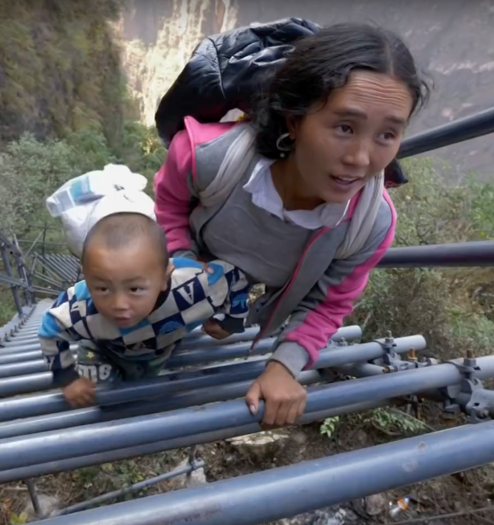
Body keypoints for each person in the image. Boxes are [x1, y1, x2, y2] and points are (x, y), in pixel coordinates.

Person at [153, 22, 431, 428]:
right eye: (344, 127)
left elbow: (329, 303)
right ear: (295, 119)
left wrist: (284, 366)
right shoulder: (208, 157)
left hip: (244, 286)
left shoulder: (369, 223)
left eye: (387, 134)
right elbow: (170, 205)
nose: (361, 159)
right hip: (192, 256)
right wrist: (182, 263)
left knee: (218, 323)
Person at [38, 212, 250, 408]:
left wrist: (231, 320)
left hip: (162, 346)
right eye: (102, 288)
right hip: (104, 350)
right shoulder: (81, 310)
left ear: (165, 278)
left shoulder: (193, 288)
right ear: (86, 277)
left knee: (147, 396)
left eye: (135, 289)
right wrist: (67, 378)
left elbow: (236, 278)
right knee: (105, 399)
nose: (119, 304)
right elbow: (50, 329)